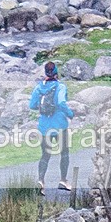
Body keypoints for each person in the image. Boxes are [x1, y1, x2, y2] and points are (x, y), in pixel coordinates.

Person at [29, 61, 74, 196]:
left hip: (44, 127)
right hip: (60, 126)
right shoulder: (60, 87)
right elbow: (61, 102)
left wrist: (43, 108)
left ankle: (41, 181)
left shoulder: (38, 88)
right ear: (56, 72)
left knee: (45, 155)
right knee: (64, 153)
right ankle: (63, 180)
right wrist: (70, 114)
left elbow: (32, 105)